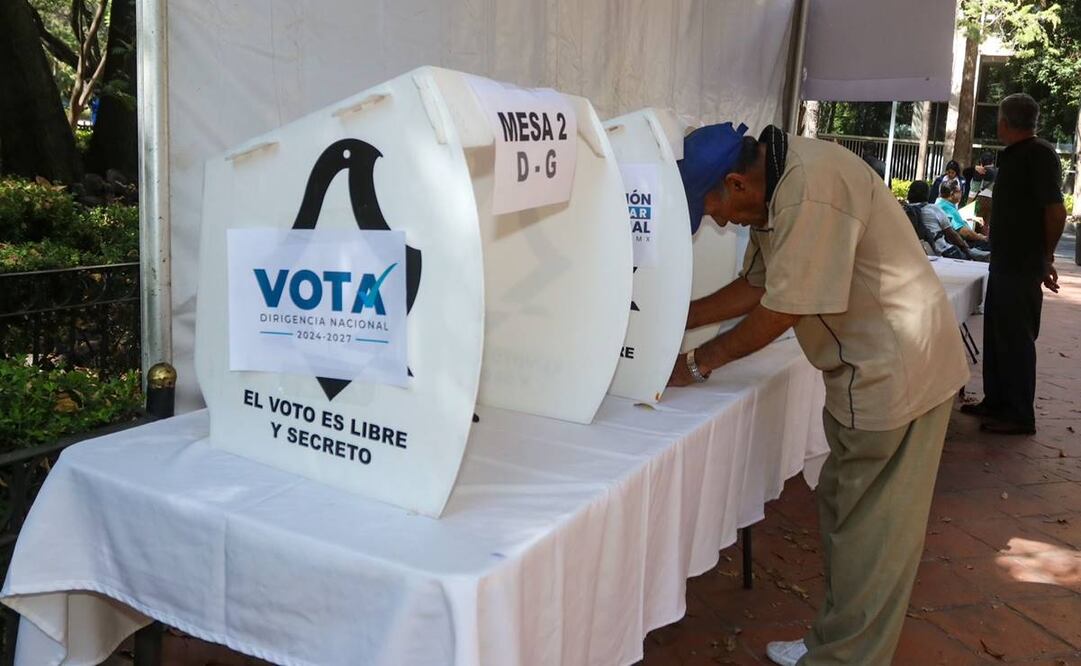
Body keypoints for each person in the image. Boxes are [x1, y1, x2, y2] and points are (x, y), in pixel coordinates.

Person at [674, 124, 969, 666]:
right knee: (842, 509)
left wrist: (697, 361)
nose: (717, 221)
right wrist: (681, 319)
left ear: (737, 183)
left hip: (896, 372)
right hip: (872, 366)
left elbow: (783, 307)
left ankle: (845, 659)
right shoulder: (780, 182)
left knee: (872, 536)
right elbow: (760, 285)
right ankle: (832, 642)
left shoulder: (808, 192)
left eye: (713, 208)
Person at [961, 93, 1067, 435]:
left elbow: (1055, 211)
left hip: (1021, 263)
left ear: (1005, 122)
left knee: (1016, 337)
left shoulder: (1039, 155)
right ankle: (997, 400)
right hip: (1005, 260)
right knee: (997, 333)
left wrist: (1046, 256)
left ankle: (1020, 413)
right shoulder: (1015, 156)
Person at [906, 181, 988, 261]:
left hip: (916, 252)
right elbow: (952, 234)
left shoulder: (904, 211)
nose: (961, 194)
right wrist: (967, 249)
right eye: (959, 191)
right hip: (941, 251)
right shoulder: (933, 209)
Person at [936, 180, 990, 249]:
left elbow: (953, 221)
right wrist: (980, 237)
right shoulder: (948, 208)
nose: (961, 194)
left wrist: (972, 218)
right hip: (962, 245)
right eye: (959, 191)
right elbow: (966, 233)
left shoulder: (940, 203)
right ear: (952, 194)